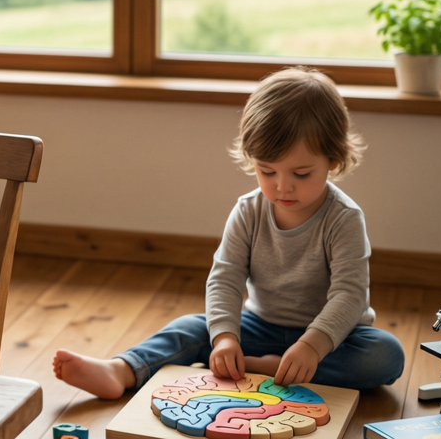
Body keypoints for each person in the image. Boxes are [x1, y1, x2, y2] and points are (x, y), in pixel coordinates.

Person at [53, 67, 404, 398]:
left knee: (385, 355)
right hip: (260, 326)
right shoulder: (248, 210)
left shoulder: (343, 218)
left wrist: (312, 345)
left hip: (334, 339)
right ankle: (122, 370)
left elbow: (349, 295)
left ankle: (270, 368)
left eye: (300, 174)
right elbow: (225, 277)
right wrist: (224, 339)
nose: (283, 187)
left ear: (334, 160)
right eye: (267, 171)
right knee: (191, 328)